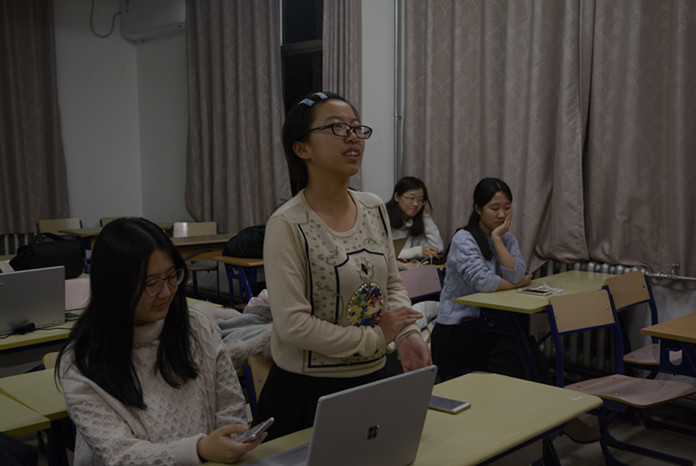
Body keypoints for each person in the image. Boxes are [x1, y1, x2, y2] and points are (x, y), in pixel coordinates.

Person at [252, 91, 432, 440]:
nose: (352, 136)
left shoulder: (373, 207)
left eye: (356, 127)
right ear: (301, 148)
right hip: (307, 393)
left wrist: (407, 333)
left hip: (372, 379)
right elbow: (293, 326)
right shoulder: (287, 224)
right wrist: (377, 337)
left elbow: (391, 284)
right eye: (336, 127)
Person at [56, 217, 264, 465]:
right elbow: (120, 454)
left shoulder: (196, 328)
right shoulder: (82, 361)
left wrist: (230, 442)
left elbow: (229, 408)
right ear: (114, 287)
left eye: (171, 276)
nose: (166, 292)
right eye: (151, 284)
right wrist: (199, 450)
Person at [431, 177, 539, 380]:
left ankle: (537, 395)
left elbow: (517, 274)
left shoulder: (507, 238)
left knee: (524, 345)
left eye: (507, 207)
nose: (502, 214)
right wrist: (519, 283)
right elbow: (484, 282)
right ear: (478, 209)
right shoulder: (464, 239)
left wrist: (497, 239)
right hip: (459, 326)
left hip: (489, 324)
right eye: (494, 208)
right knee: (514, 350)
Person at [386, 176, 444, 261]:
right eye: (411, 198)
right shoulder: (383, 218)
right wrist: (416, 252)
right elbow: (381, 253)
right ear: (397, 196)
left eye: (420, 200)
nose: (415, 204)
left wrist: (426, 217)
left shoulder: (415, 222)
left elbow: (438, 249)